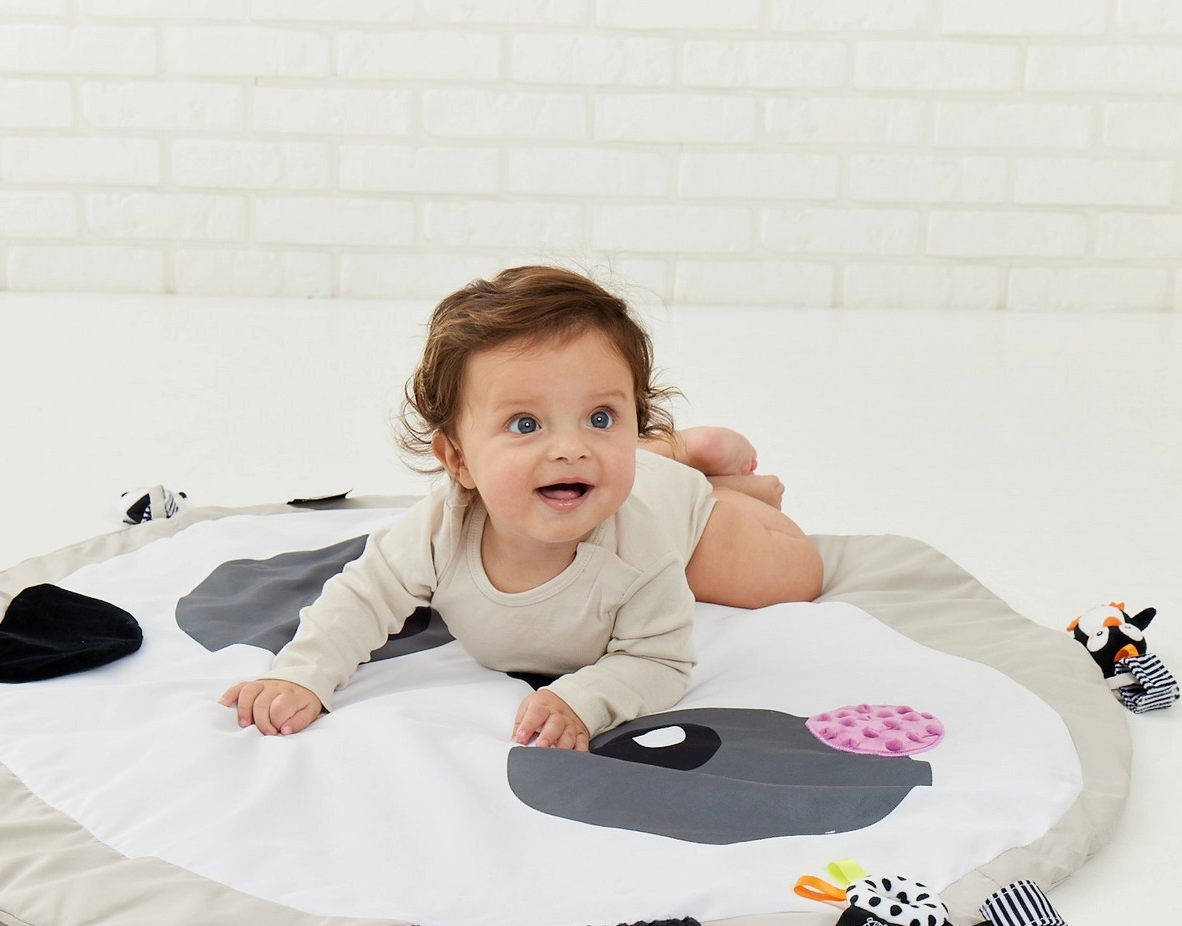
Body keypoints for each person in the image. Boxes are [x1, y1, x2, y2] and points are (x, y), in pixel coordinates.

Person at [220, 265, 823, 751]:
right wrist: (301, 673)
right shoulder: (440, 530)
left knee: (794, 575)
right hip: (624, 478)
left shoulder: (643, 553)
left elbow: (658, 660)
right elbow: (361, 597)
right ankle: (674, 450)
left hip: (675, 511)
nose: (570, 447)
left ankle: (709, 480)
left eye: (601, 417)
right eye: (526, 424)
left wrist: (585, 699)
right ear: (459, 459)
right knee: (609, 466)